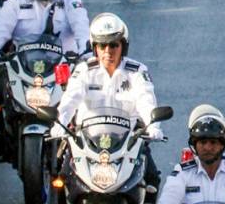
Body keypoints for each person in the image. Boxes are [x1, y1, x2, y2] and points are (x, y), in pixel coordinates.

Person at [0, 0, 88, 159]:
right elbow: (1, 30)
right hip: (24, 66)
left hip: (62, 66)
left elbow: (82, 28)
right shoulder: (16, 1)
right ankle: (5, 135)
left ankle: (79, 145)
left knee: (82, 99)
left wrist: (86, 52)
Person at [52, 13, 163, 191]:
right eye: (102, 45)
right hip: (87, 143)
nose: (107, 51)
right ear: (95, 47)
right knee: (60, 180)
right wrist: (60, 122)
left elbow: (146, 99)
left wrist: (153, 126)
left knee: (152, 181)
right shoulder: (84, 70)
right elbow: (70, 98)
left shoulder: (137, 71)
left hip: (128, 142)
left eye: (113, 45)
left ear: (123, 46)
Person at [159, 105, 225, 204]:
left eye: (213, 142)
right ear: (194, 145)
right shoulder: (182, 173)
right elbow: (168, 198)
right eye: (203, 142)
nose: (208, 147)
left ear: (222, 145)